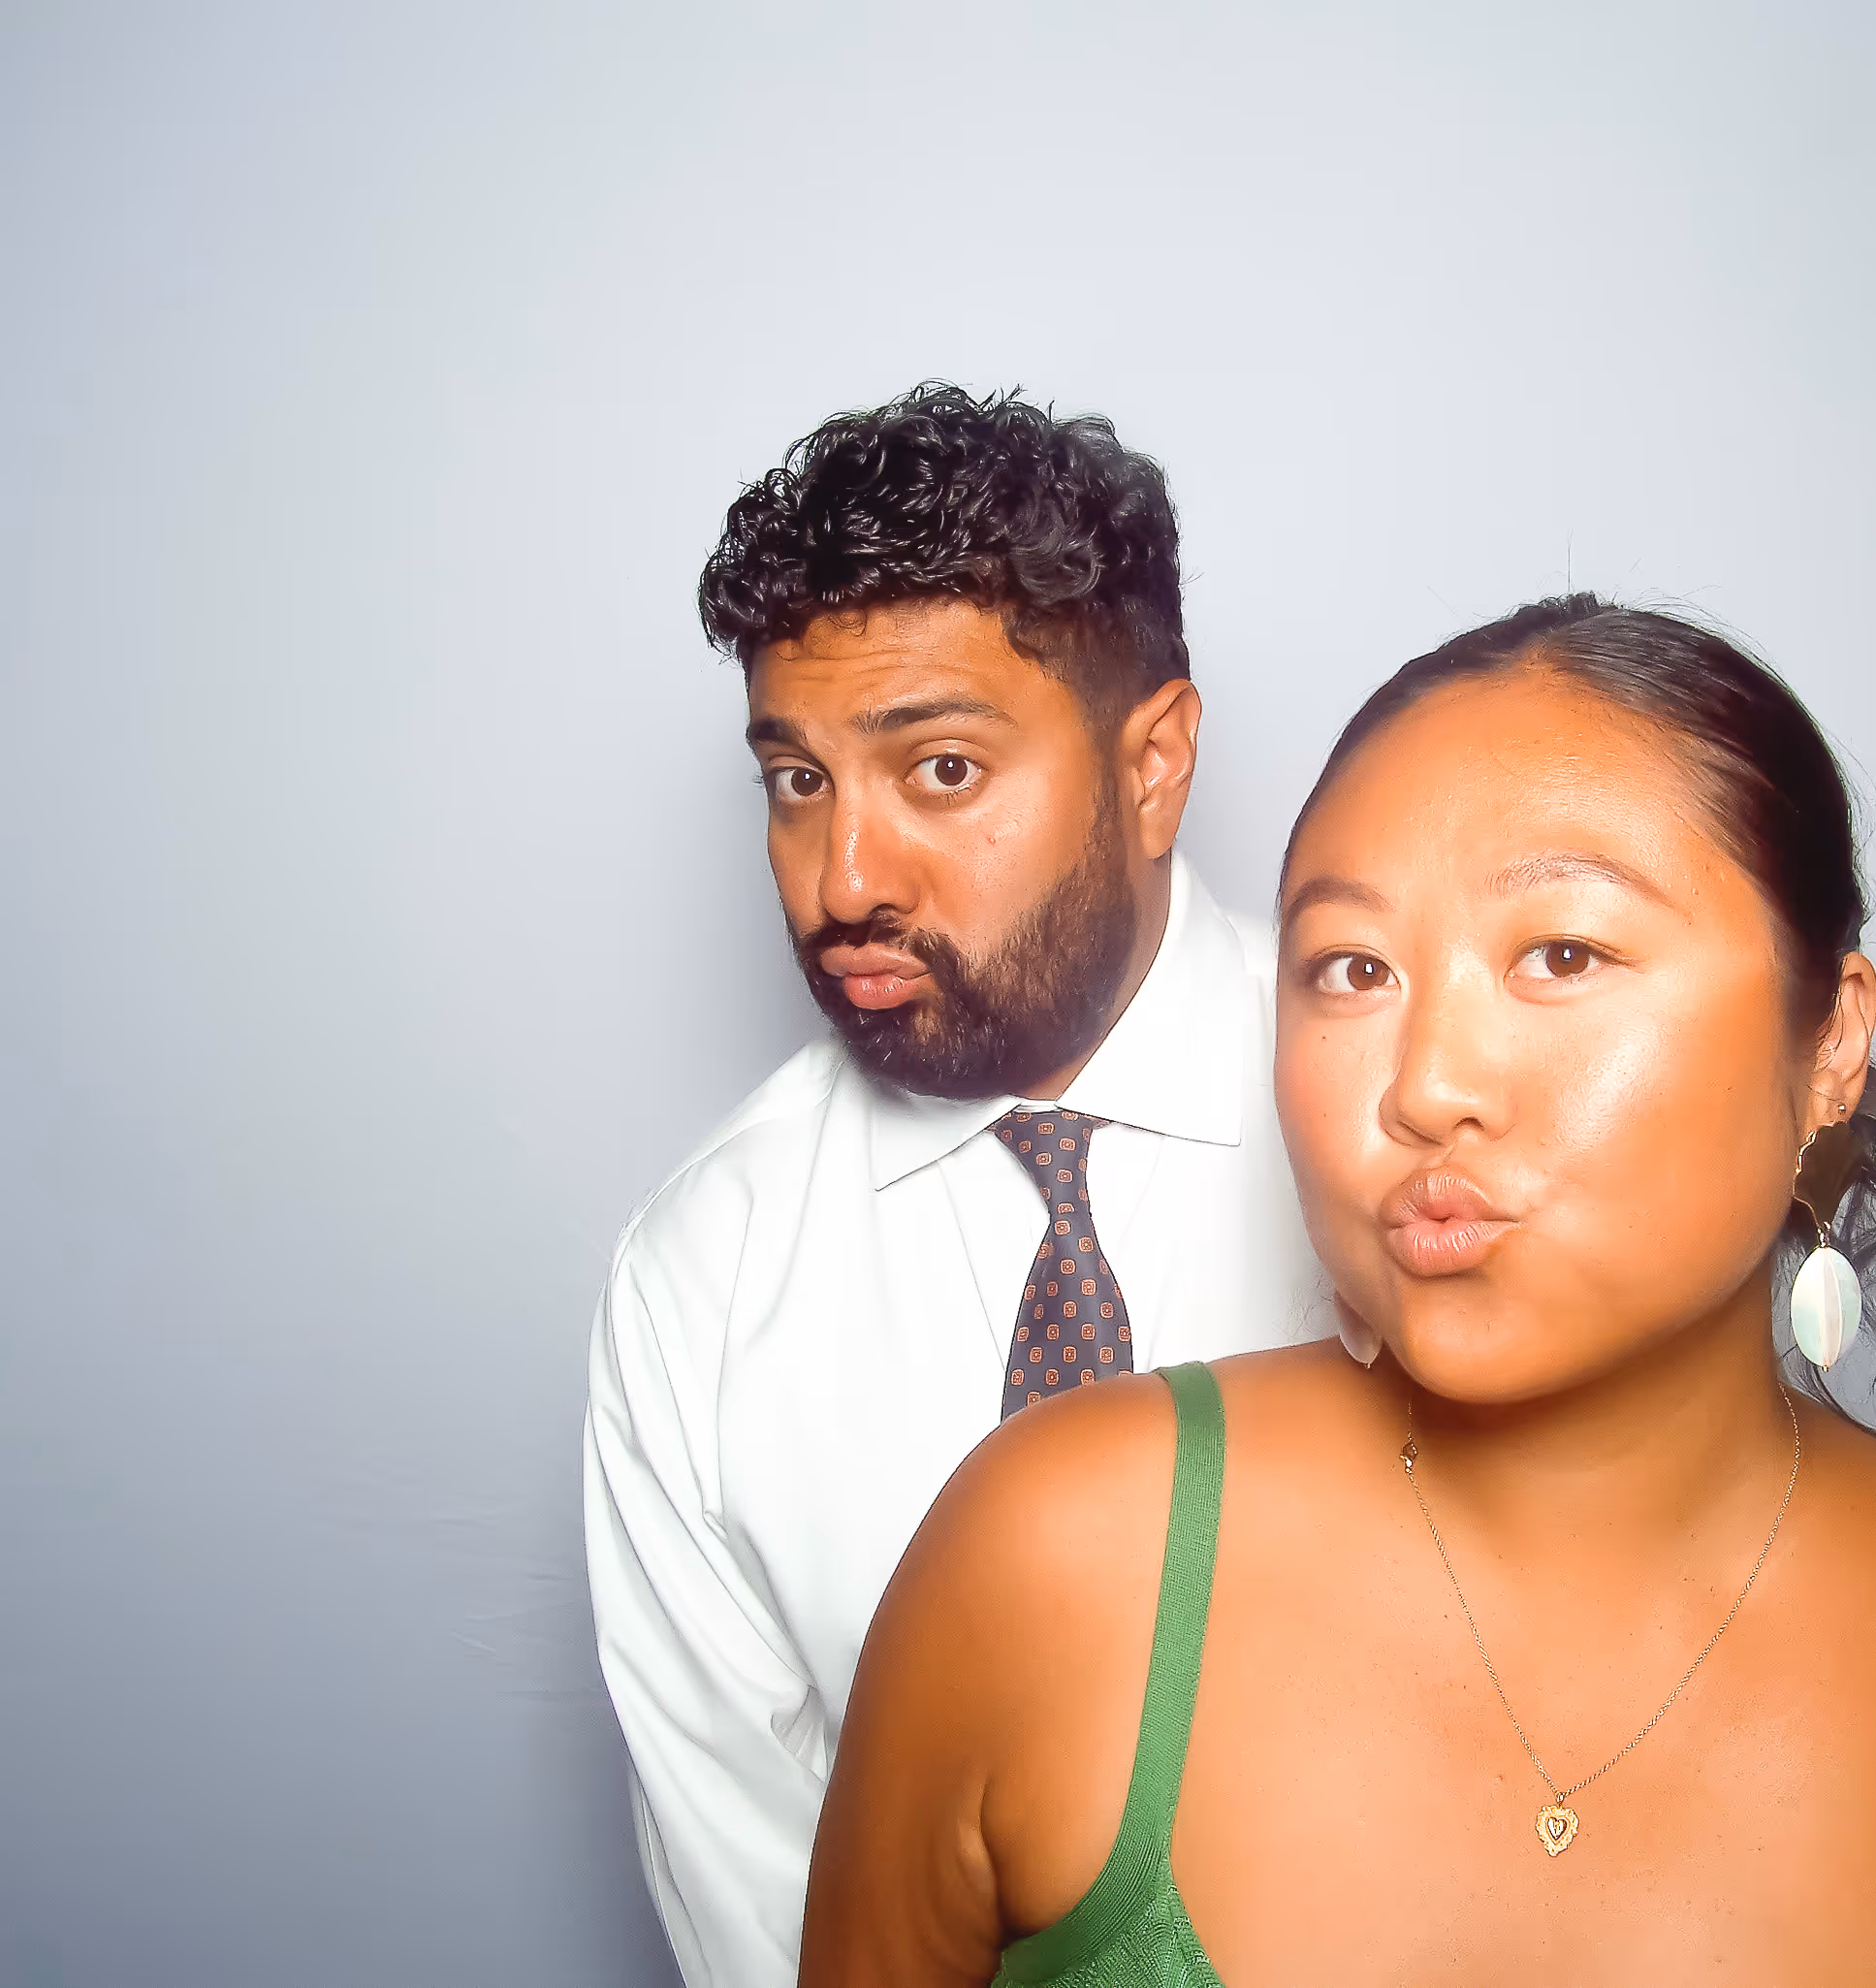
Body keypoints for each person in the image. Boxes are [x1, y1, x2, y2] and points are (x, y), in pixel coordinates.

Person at [803, 595, 1876, 1985]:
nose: (1424, 1086)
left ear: (1830, 1039)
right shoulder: (1058, 1562)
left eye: (1562, 955)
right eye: (1352, 970)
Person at [584, 385, 1325, 1985]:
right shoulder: (704, 1280)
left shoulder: (1407, 1133)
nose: (845, 880)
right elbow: (773, 1926)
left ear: (1155, 765)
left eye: (936, 770)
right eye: (797, 781)